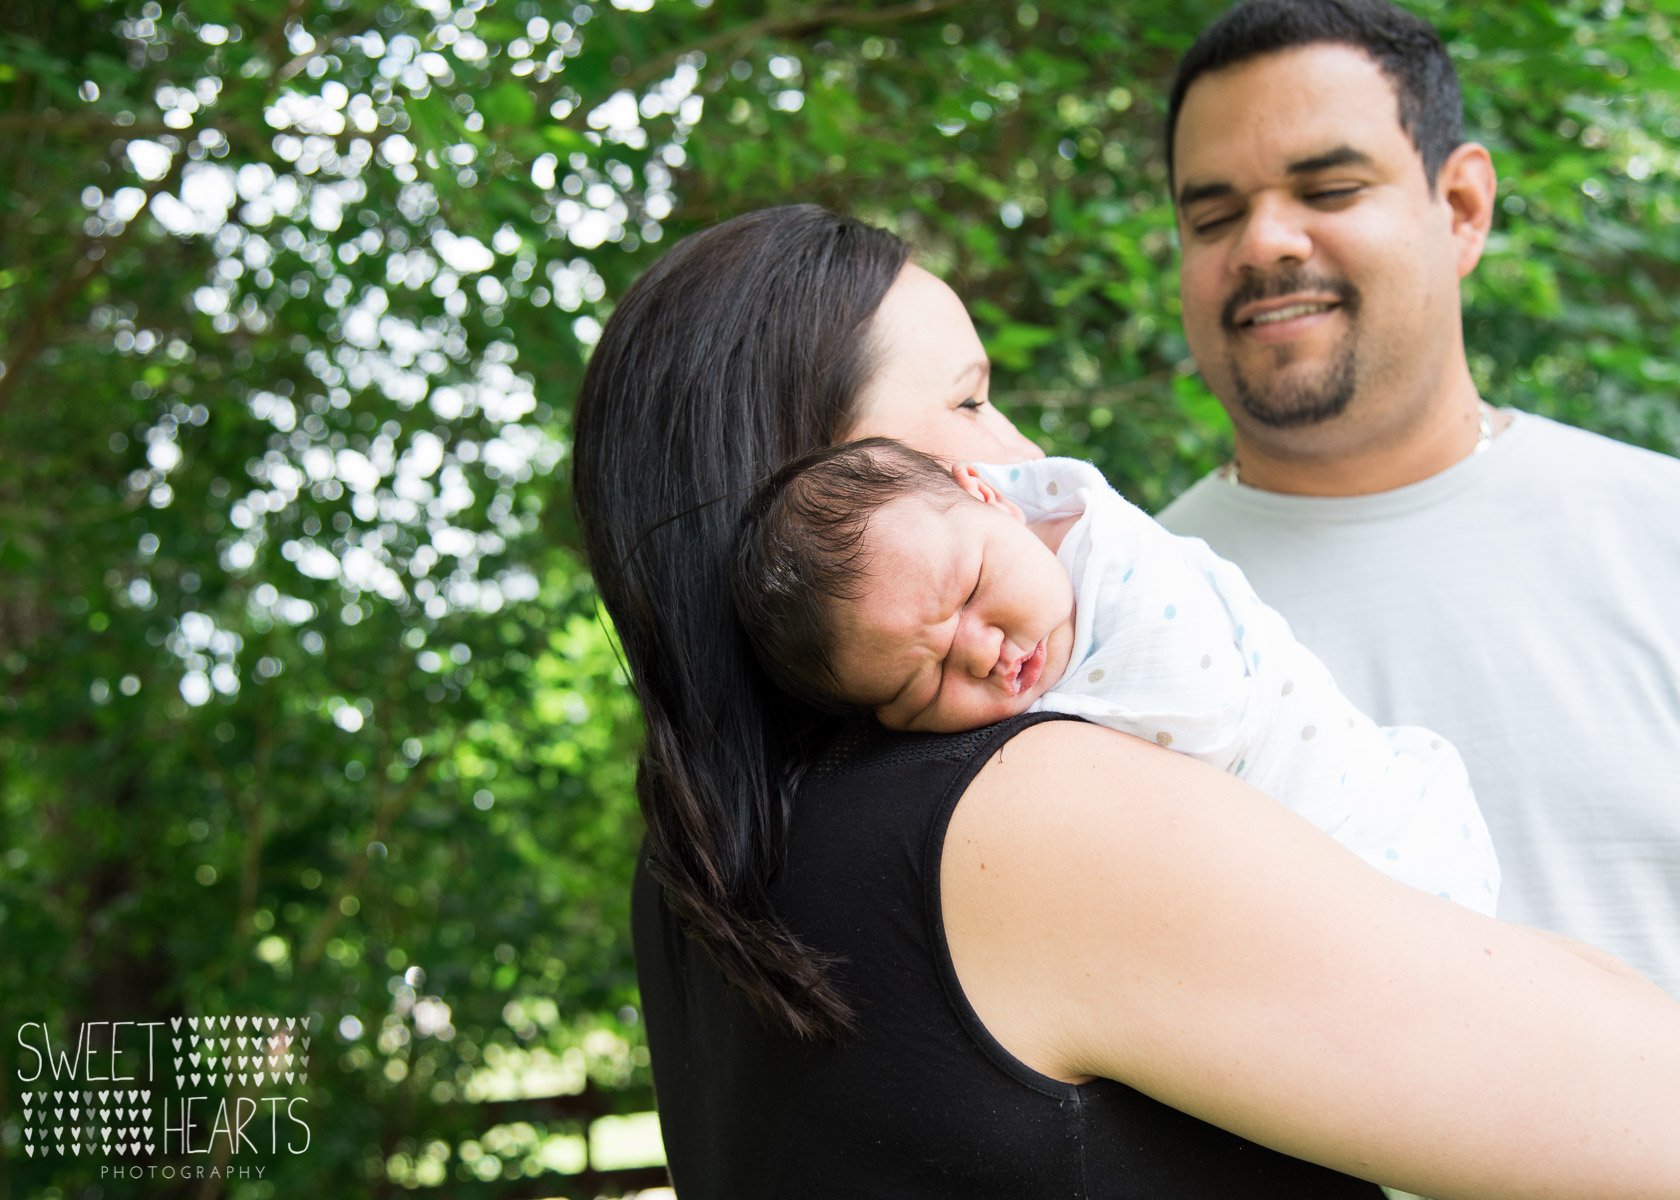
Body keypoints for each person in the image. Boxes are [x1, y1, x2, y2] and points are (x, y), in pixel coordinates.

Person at [570, 204, 1680, 1198]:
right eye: (970, 402)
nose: (1022, 452)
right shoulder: (1032, 811)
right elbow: (1638, 1114)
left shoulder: (696, 877)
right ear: (827, 490)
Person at [1154, 0, 1680, 998]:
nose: (1264, 242)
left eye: (1331, 188)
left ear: (1463, 209)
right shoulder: (1128, 625)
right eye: (1213, 215)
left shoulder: (1665, 536)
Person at [730, 437, 1498, 913]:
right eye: (923, 682)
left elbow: (1211, 716)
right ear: (891, 723)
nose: (978, 650)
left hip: (1387, 838)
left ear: (992, 498)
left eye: (969, 590)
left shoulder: (1127, 573)